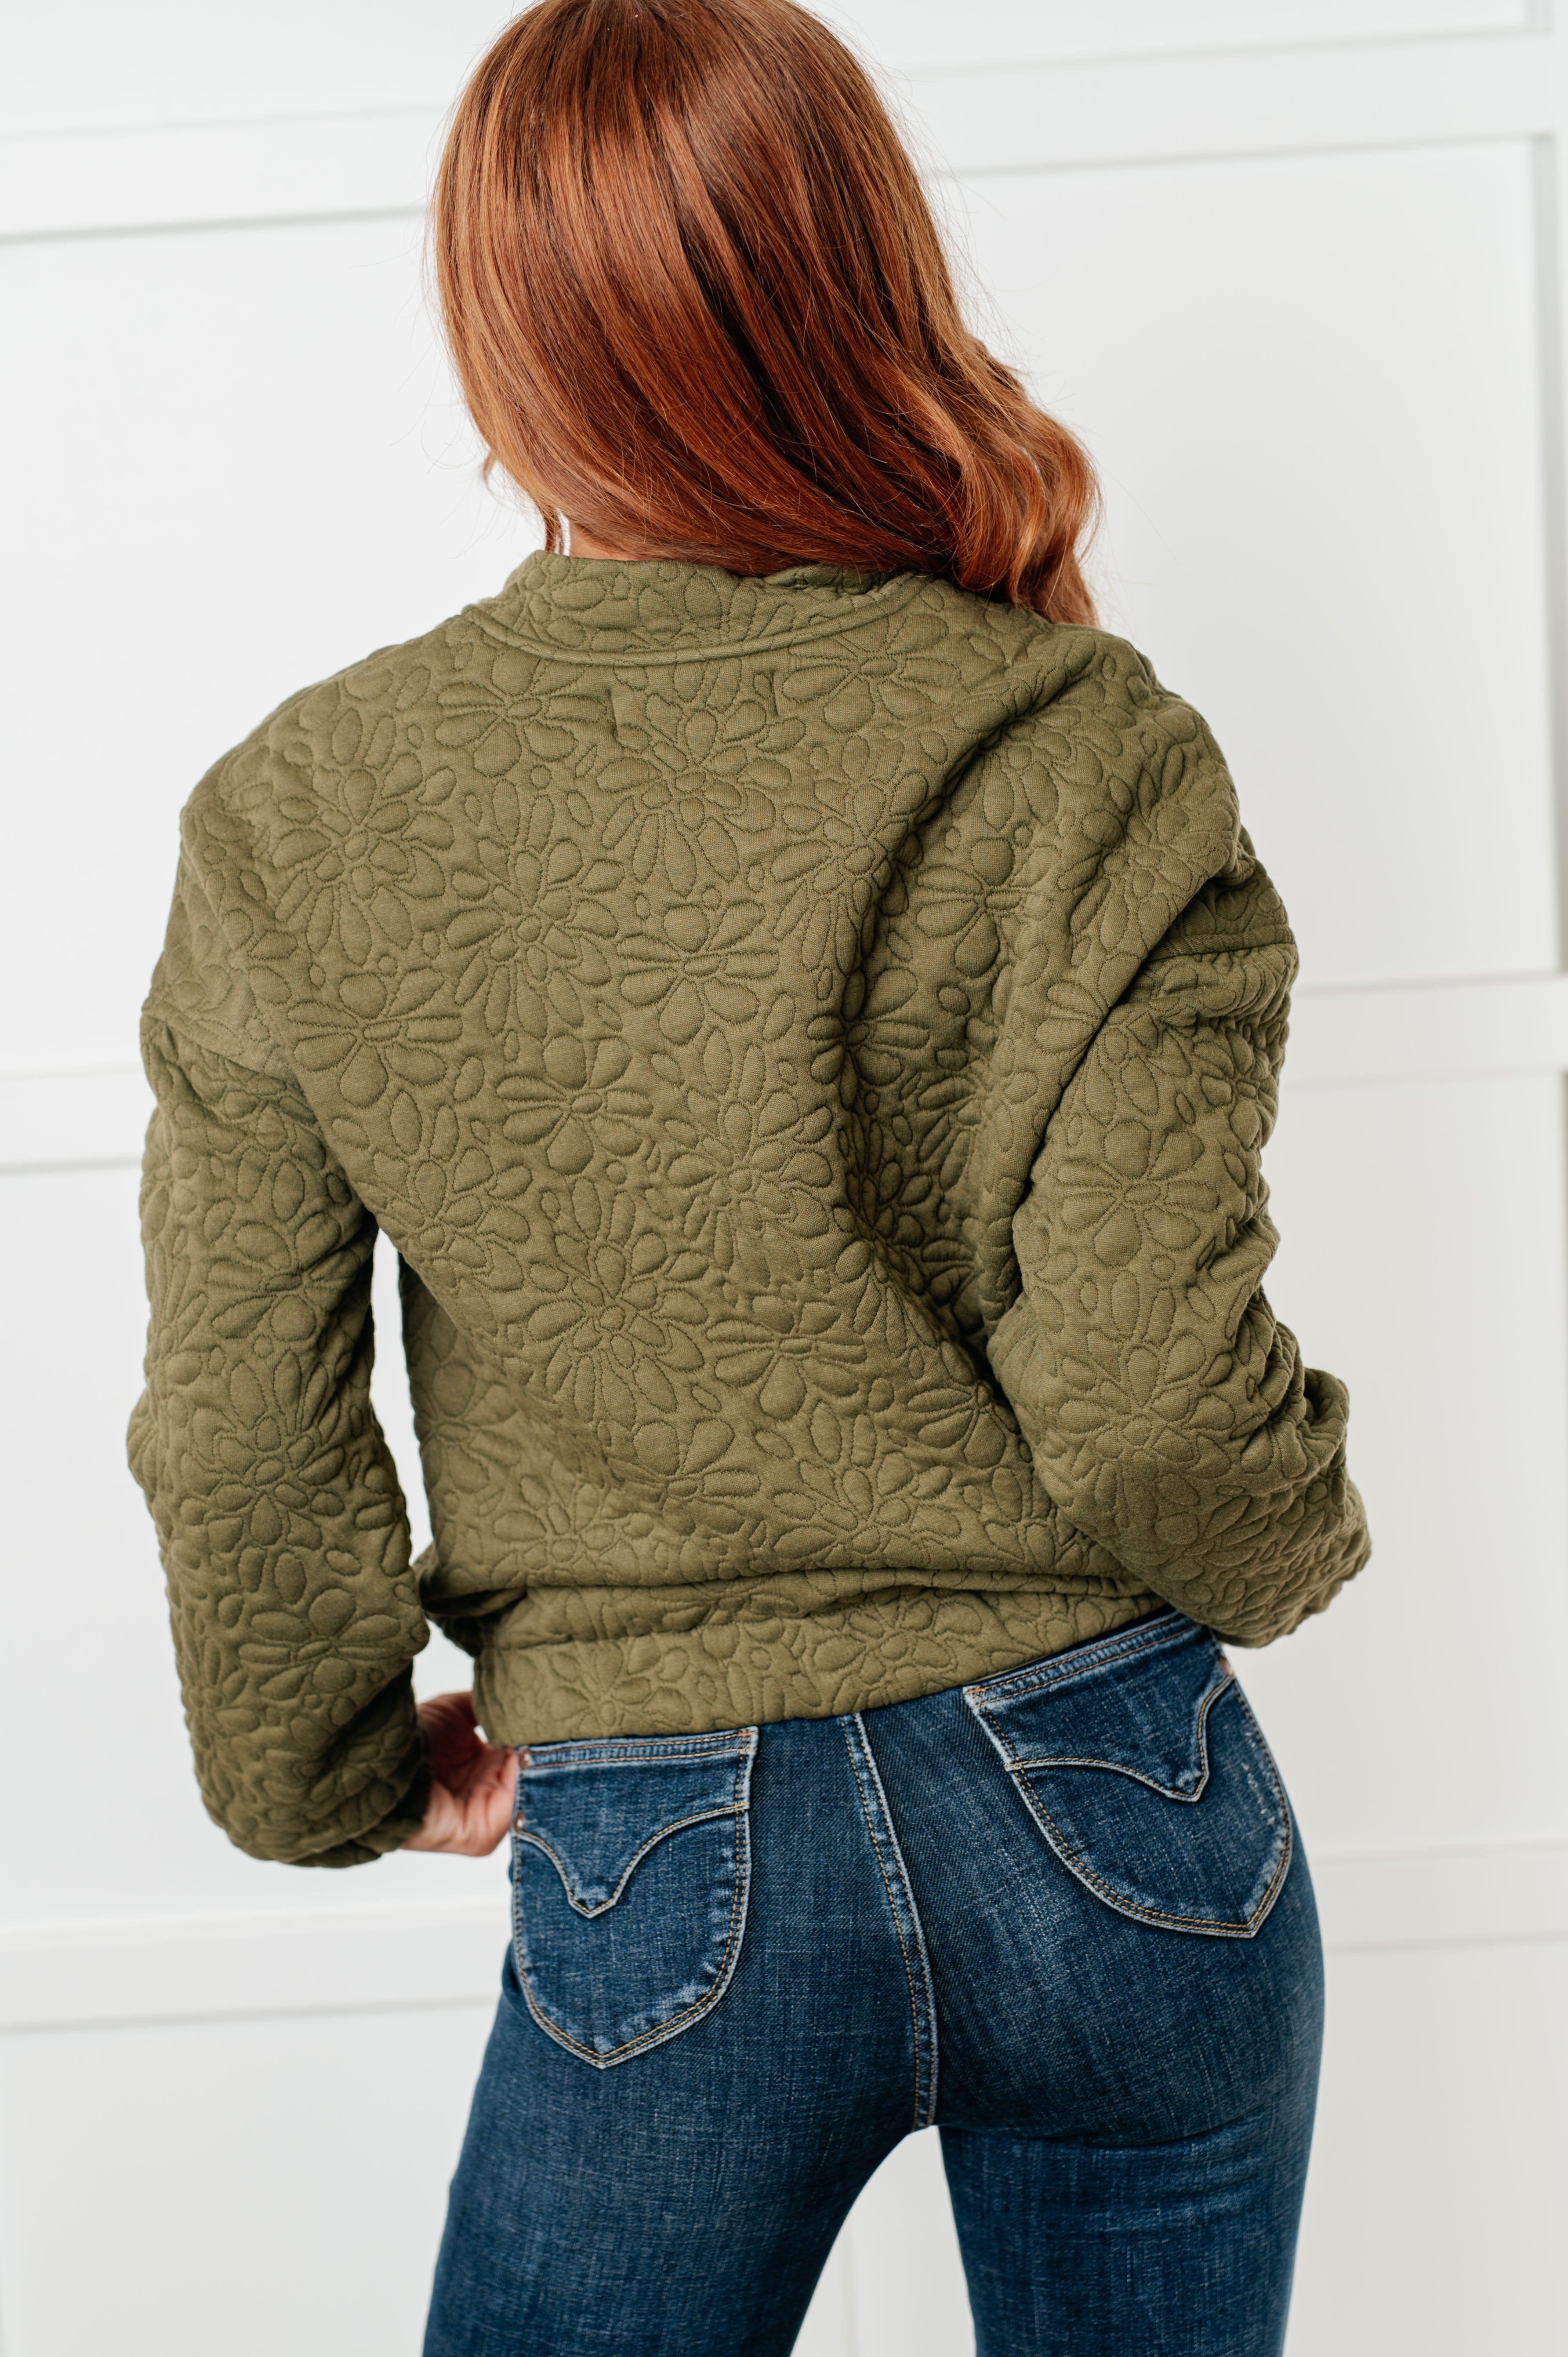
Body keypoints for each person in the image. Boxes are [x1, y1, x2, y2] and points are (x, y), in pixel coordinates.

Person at [127, 1, 1371, 2349]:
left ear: (503, 341)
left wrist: (328, 1768)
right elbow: (1153, 1407)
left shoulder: (299, 818)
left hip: (661, 1853)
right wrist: (1303, 1532)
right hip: (1126, 1801)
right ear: (862, 285)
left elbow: (237, 1436)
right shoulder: (1086, 744)